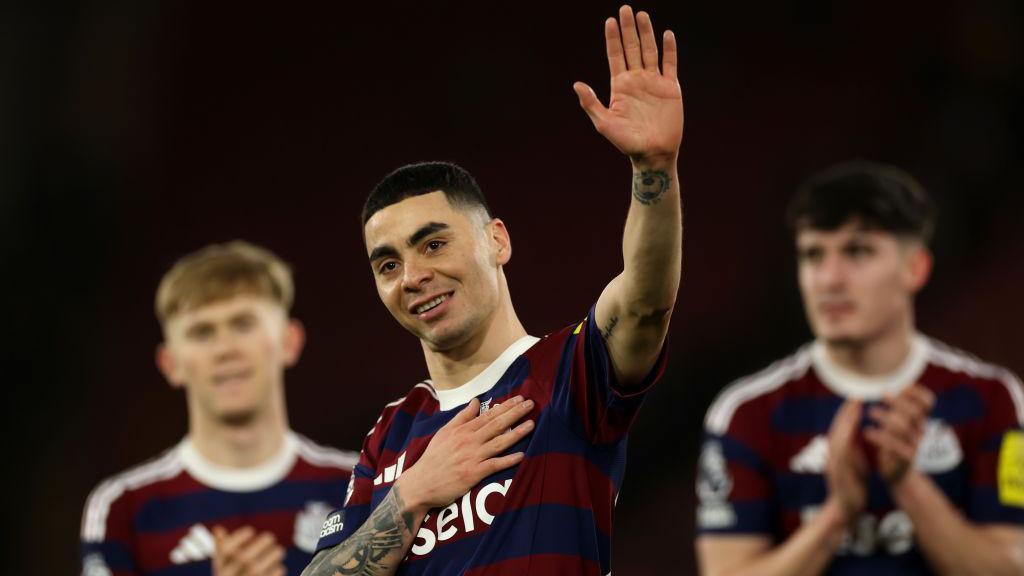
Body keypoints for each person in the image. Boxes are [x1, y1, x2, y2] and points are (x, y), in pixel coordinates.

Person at [303, 5, 683, 575]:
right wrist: (414, 493)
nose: (412, 276)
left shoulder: (567, 374)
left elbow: (645, 302)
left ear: (497, 240)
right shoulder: (392, 431)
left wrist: (654, 168)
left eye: (433, 245)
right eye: (388, 264)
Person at [695, 161, 1024, 575]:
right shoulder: (747, 412)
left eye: (857, 251)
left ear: (915, 268)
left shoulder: (990, 399)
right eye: (813, 254)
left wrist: (907, 483)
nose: (829, 279)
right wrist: (838, 514)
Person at [80, 241, 358, 576]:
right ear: (170, 364)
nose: (225, 349)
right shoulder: (123, 509)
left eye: (243, 324)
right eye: (202, 332)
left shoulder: (357, 485)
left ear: (289, 341)